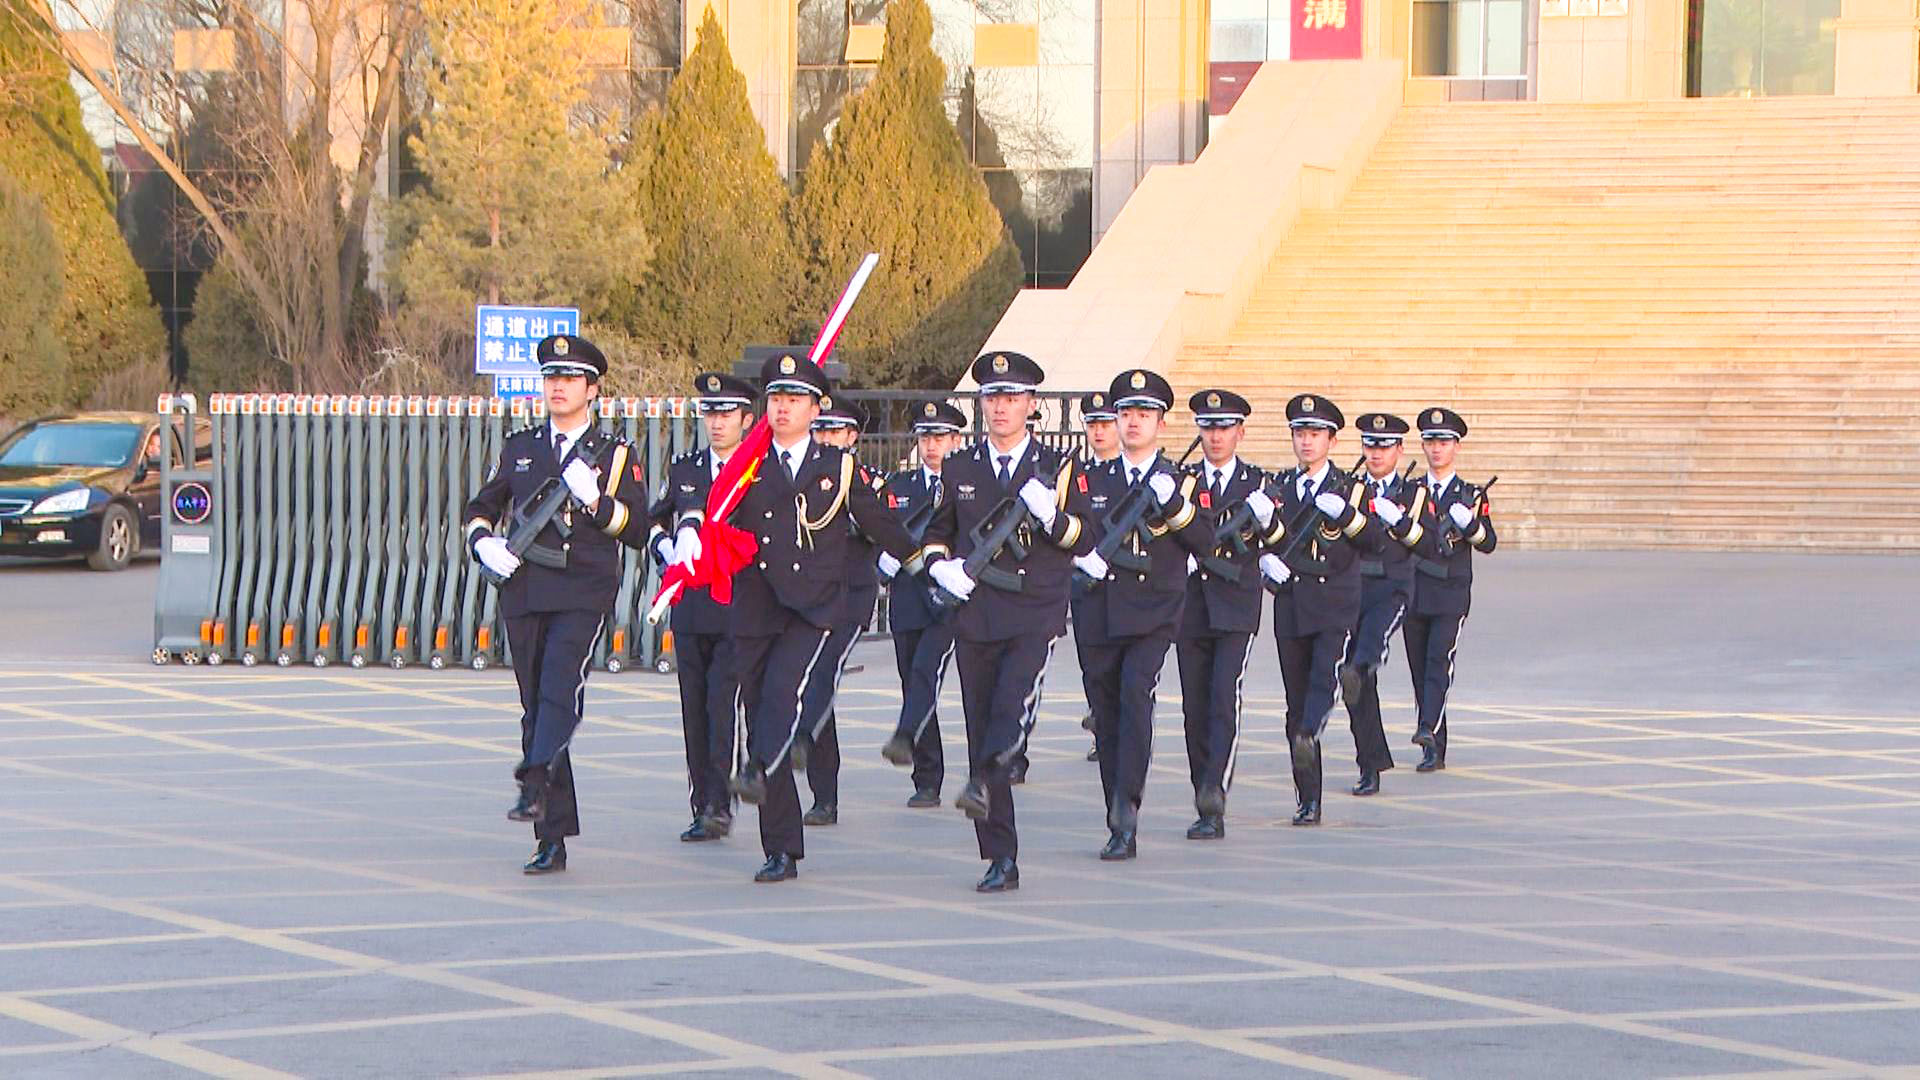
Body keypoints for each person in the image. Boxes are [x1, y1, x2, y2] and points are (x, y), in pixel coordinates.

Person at [461, 334, 652, 874]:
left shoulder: (614, 455)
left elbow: (636, 529)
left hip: (582, 590)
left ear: (592, 389)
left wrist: (596, 500)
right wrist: (483, 543)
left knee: (559, 688)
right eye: (551, 378)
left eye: (570, 379)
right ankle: (550, 833)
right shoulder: (522, 447)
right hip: (524, 591)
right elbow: (483, 505)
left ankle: (535, 776)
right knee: (534, 705)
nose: (558, 387)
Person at [725, 353, 915, 883]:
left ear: (815, 408)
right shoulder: (747, 465)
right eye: (777, 399)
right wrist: (689, 534)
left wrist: (926, 561)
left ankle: (757, 766)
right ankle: (781, 845)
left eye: (795, 399)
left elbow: (882, 523)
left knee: (784, 697)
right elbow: (716, 516)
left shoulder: (839, 467)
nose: (784, 408)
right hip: (756, 605)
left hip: (812, 609)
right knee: (760, 708)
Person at [918, 351, 1095, 892]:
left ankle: (981, 787)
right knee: (980, 727)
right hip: (976, 615)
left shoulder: (1060, 470)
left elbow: (1085, 541)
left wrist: (1051, 516)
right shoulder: (961, 466)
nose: (1001, 407)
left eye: (1012, 398)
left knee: (1007, 711)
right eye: (993, 398)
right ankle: (1000, 855)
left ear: (1031, 405)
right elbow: (937, 530)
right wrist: (939, 566)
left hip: (1034, 612)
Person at [1073, 369, 1207, 860]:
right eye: (1126, 413)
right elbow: (1073, 533)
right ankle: (1114, 800)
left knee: (1135, 700)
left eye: (1144, 414)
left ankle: (1126, 811)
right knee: (1106, 714)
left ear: (1162, 423)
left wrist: (1175, 508)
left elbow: (1205, 542)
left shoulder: (1181, 482)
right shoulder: (1091, 478)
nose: (1133, 422)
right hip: (1098, 612)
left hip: (1154, 611)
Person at [1258, 393, 1377, 827]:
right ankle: (1308, 799)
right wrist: (1263, 556)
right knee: (1295, 704)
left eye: (1315, 434)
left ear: (1331, 439)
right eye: (1300, 434)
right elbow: (1268, 539)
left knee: (1320, 688)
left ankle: (1310, 733)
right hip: (1291, 607)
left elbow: (1373, 541)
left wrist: (1347, 516)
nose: (1306, 442)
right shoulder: (1279, 488)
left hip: (1333, 606)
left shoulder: (1350, 489)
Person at [648, 371, 756, 842]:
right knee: (694, 706)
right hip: (691, 607)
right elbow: (653, 520)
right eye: (710, 413)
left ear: (747, 420)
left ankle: (720, 802)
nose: (717, 422)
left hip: (736, 603)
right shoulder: (687, 468)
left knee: (721, 703)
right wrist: (666, 549)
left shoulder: (758, 470)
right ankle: (701, 802)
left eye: (727, 413)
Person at [1175, 388, 1271, 840]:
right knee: (1195, 706)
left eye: (1225, 427)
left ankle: (1215, 793)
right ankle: (1201, 789)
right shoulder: (1184, 483)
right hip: (1190, 607)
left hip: (1235, 605)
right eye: (1209, 427)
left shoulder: (1258, 484)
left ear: (1240, 432)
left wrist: (1269, 521)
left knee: (1221, 697)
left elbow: (1278, 537)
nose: (1216, 436)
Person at [790, 396, 886, 827]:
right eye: (821, 429)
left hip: (849, 596)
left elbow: (877, 528)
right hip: (806, 595)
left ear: (852, 437)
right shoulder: (799, 476)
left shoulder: (867, 480)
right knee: (806, 682)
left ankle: (820, 784)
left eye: (835, 431)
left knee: (821, 675)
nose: (826, 438)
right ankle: (820, 791)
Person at [877, 400, 969, 807]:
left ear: (956, 440)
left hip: (949, 600)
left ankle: (911, 746)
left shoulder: (967, 486)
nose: (931, 446)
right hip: (908, 598)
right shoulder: (900, 488)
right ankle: (926, 777)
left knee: (924, 674)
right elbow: (876, 530)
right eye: (925, 437)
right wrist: (881, 555)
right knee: (910, 680)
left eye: (940, 437)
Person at [1403, 407, 1498, 773]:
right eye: (1430, 441)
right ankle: (1433, 743)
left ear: (1456, 446)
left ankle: (1428, 729)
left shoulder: (1470, 494)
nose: (1436, 449)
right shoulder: (1411, 491)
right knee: (1418, 668)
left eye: (1443, 442)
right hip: (1415, 590)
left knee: (1438, 662)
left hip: (1451, 592)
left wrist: (1470, 525)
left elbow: (1488, 542)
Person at [1337, 412, 1424, 797]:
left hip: (1391, 587)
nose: (1375, 453)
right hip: (1352, 586)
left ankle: (1363, 663)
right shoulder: (1351, 489)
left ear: (1399, 450)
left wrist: (1402, 523)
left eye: (1384, 446)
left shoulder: (1412, 494)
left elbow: (1429, 544)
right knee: (1355, 683)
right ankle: (1369, 763)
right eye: (1370, 445)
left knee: (1367, 651)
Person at [1073, 391, 1120, 763]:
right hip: (1085, 585)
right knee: (1092, 665)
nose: (1099, 431)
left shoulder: (1131, 473)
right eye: (1093, 424)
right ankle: (1102, 726)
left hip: (1125, 585)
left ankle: (1121, 728)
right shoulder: (1077, 476)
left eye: (1105, 423)